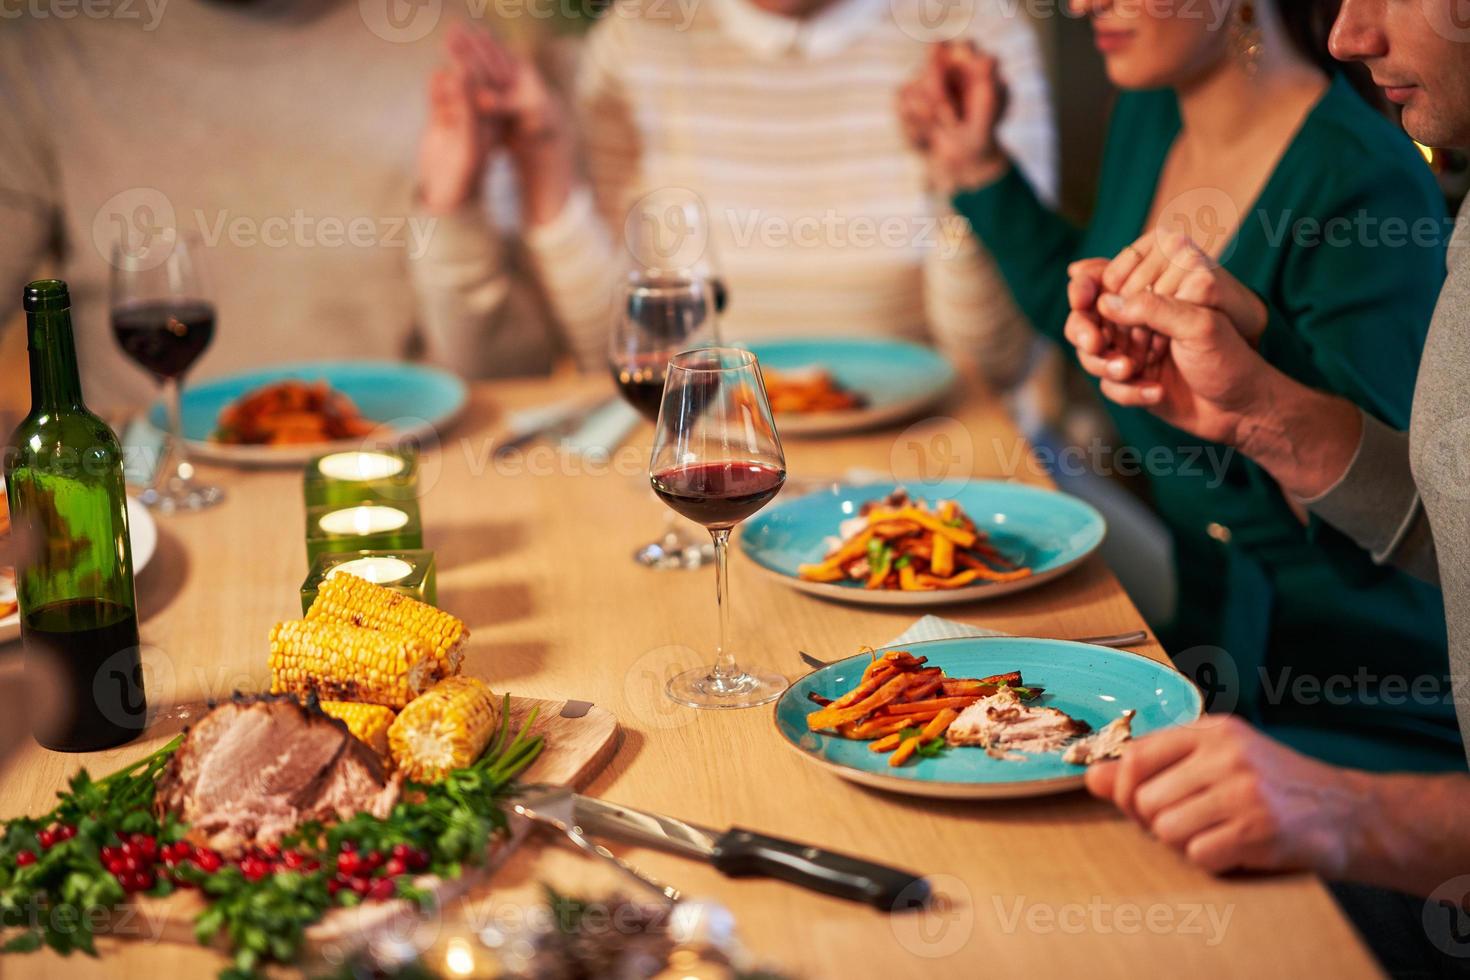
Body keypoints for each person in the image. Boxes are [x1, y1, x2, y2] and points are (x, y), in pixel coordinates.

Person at [900, 0, 1461, 773]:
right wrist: (978, 170)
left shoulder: (1366, 181)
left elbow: (1401, 527)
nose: (1082, 5)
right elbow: (1087, 309)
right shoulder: (1151, 109)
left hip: (1338, 689)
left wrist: (1258, 362)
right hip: (1195, 640)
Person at [1055, 0, 1470, 957]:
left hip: (1362, 722)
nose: (1348, 36)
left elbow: (1394, 583)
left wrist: (1351, 812)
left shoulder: (1367, 179)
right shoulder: (1155, 108)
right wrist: (1252, 411)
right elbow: (1441, 528)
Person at [411, 0, 1056, 381]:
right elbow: (618, 351)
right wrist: (543, 157)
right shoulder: (640, 35)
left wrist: (961, 181)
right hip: (711, 454)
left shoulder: (973, 30)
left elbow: (994, 368)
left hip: (924, 456)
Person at [0, 0, 558, 417]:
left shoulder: (442, 39)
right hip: (149, 503)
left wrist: (452, 211)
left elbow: (510, 380)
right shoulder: (38, 55)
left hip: (395, 483)